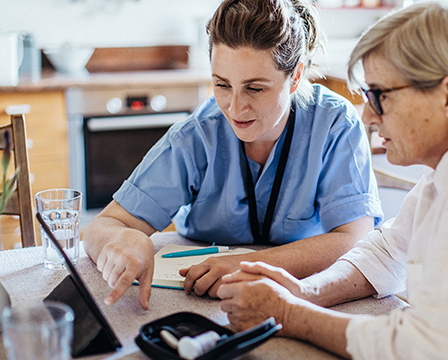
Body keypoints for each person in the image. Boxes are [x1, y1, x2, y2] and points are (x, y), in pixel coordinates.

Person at [216, 2, 448, 359]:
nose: (367, 116)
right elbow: (386, 252)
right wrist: (305, 290)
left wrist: (290, 312)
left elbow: (423, 348)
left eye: (380, 95)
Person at [83, 0, 383, 310]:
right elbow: (101, 227)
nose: (235, 108)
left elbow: (355, 240)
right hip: (200, 296)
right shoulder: (197, 135)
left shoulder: (335, 124)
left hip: (303, 294)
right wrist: (122, 241)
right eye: (222, 85)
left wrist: (249, 265)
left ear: (295, 76)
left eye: (255, 88)